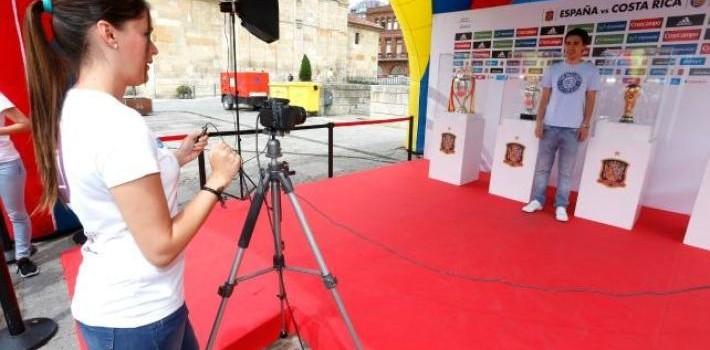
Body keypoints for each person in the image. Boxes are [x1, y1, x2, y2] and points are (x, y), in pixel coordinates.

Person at [23, 0, 241, 348]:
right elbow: (161, 246)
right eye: (145, 34)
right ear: (108, 33)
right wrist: (217, 180)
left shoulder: (77, 107)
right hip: (137, 318)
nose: (153, 49)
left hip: (134, 307)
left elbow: (118, 184)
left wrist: (176, 157)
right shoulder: (117, 124)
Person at [522, 28, 600, 222]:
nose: (571, 47)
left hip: (573, 129)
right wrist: (539, 122)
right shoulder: (553, 69)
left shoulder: (590, 70)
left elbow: (591, 99)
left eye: (576, 44)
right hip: (550, 125)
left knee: (566, 171)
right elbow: (545, 97)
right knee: (542, 168)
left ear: (584, 47)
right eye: (568, 43)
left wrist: (586, 124)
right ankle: (537, 200)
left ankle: (561, 205)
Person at [0, 92, 38, 278]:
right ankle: (26, 245)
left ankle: (22, 258)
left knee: (16, 214)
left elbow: (25, 124)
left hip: (4, 163)